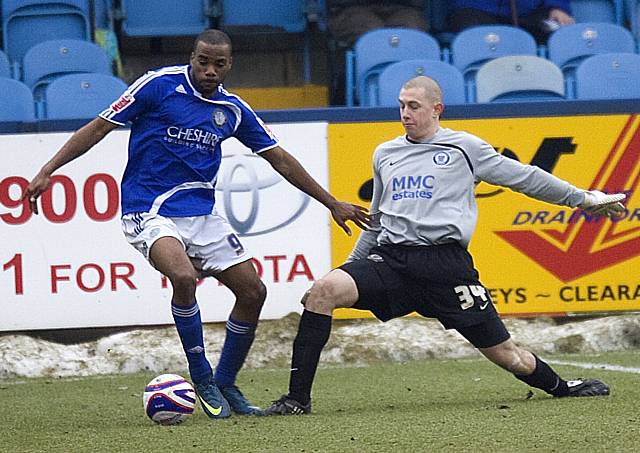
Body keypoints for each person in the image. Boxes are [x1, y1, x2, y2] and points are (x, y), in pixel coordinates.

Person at [23, 29, 369, 419]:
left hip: (202, 216)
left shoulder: (233, 109)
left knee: (253, 291)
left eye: (218, 64)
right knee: (184, 278)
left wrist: (331, 203)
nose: (209, 70)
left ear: (229, 65)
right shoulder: (158, 86)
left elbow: (281, 160)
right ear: (193, 56)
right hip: (148, 209)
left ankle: (224, 381)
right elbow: (99, 127)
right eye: (202, 61)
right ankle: (200, 373)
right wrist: (48, 169)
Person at [264, 75, 625, 415]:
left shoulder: (464, 148)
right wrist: (345, 269)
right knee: (324, 291)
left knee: (506, 354)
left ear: (437, 109)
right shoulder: (385, 154)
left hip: (446, 266)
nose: (406, 113)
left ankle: (561, 386)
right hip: (393, 260)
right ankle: (297, 400)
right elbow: (377, 221)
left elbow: (525, 178)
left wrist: (583, 199)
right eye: (402, 105)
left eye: (415, 106)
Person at [326, 1, 429, 105]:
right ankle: (365, 96)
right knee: (373, 36)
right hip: (351, 7)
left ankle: (409, 97)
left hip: (402, 7)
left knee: (412, 32)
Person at [449, 0, 575, 43]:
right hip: (477, 9)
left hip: (529, 12)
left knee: (561, 33)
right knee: (474, 32)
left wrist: (557, 7)